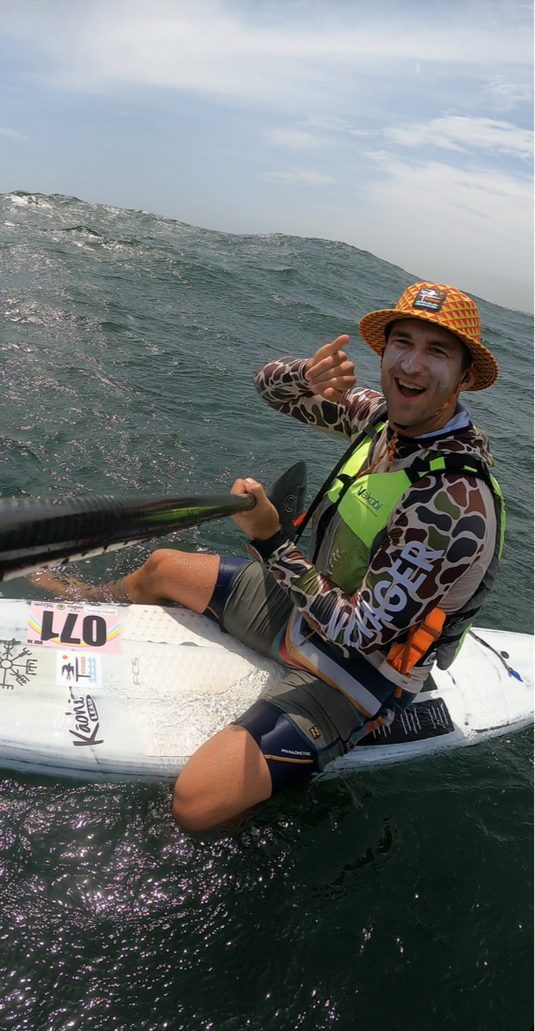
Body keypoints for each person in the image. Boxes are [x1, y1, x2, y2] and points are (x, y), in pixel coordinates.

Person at [41, 281, 505, 832]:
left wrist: (269, 542)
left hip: (357, 674)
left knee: (197, 805)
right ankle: (87, 603)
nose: (412, 363)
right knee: (162, 567)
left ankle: (270, 819)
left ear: (465, 376)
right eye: (402, 343)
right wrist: (304, 379)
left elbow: (360, 633)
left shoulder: (452, 499)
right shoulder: (382, 420)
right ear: (383, 354)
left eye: (437, 352)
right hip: (305, 611)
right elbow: (271, 389)